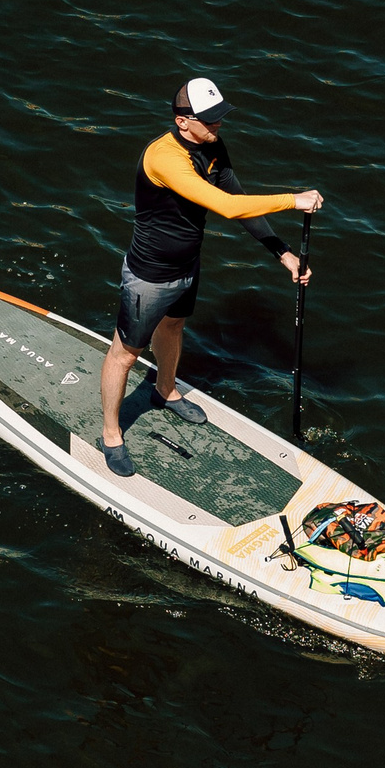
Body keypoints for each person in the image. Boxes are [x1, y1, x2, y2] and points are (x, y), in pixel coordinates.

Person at [98, 77, 324, 478]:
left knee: (174, 326)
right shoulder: (164, 157)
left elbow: (240, 199)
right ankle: (111, 434)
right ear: (182, 121)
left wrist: (283, 253)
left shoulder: (213, 146)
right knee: (126, 354)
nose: (218, 124)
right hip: (150, 275)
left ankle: (165, 390)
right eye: (210, 119)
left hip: (188, 266)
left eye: (220, 116)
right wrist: (294, 200)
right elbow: (226, 207)